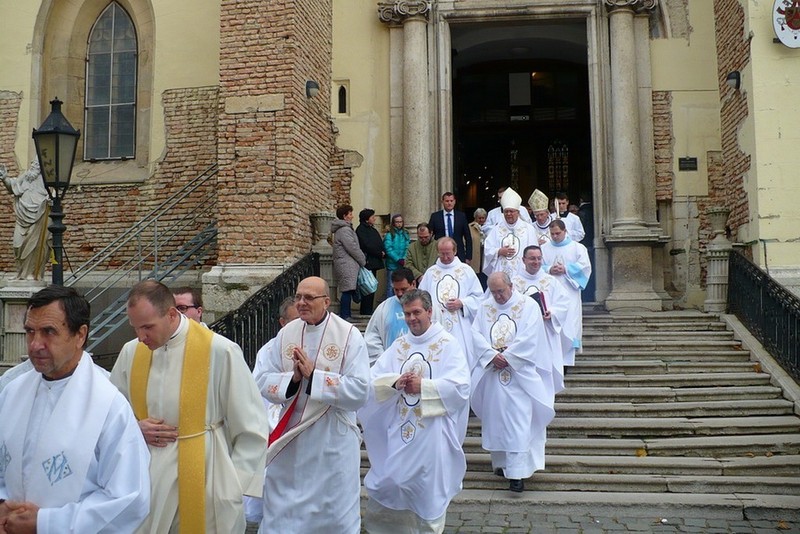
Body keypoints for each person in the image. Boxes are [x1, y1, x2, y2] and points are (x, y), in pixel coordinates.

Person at [110, 280, 268, 533]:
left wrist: (232, 486)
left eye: (148, 327)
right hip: (145, 478)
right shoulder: (131, 352)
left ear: (172, 314)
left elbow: (251, 425)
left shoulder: (219, 350)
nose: (141, 337)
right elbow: (112, 414)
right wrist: (135, 428)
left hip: (207, 477)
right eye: (135, 328)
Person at [0, 285, 150, 533]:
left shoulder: (109, 406)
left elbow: (129, 498)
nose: (36, 344)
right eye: (30, 331)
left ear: (80, 335)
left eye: (49, 332)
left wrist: (46, 523)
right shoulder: (12, 392)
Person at [255, 276, 369, 534]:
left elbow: (361, 391)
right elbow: (261, 381)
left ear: (326, 301)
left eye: (309, 297)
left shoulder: (349, 336)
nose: (302, 303)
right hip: (292, 443)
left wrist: (315, 376)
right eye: (298, 297)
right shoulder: (286, 334)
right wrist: (294, 379)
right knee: (284, 514)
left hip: (331, 441)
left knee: (332, 514)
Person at [359, 289, 470, 533]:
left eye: (417, 312)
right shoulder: (399, 345)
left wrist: (425, 386)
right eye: (407, 314)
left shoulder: (448, 344)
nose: (411, 318)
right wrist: (395, 382)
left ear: (430, 312)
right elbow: (373, 380)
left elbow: (461, 387)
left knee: (427, 490)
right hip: (400, 431)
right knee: (392, 483)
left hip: (432, 434)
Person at [470, 272, 555, 493]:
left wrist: (509, 357)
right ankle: (500, 463)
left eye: (501, 291)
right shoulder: (485, 308)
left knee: (518, 421)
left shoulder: (528, 306)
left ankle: (517, 474)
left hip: (520, 375)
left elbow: (531, 336)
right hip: (493, 374)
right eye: (494, 291)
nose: (498, 296)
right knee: (496, 419)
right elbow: (475, 335)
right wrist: (491, 356)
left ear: (511, 285)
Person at [244, 296, 299, 523]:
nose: (300, 327)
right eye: (294, 321)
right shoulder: (268, 351)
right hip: (275, 423)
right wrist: (291, 381)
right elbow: (258, 386)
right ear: (282, 322)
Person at [512, 245, 570, 395]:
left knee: (545, 369)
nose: (536, 262)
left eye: (538, 258)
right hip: (523, 335)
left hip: (546, 332)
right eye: (532, 258)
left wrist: (552, 313)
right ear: (523, 260)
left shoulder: (551, 281)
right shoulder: (514, 283)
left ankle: (546, 399)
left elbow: (563, 303)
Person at [419, 237, 483, 367]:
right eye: (442, 253)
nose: (445, 257)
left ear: (455, 251)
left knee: (461, 359)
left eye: (448, 253)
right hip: (436, 323)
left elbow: (479, 297)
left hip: (460, 324)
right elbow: (421, 298)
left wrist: (462, 303)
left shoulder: (466, 270)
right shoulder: (431, 272)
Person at [541, 219, 592, 366]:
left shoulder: (577, 248)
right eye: (552, 234)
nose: (555, 236)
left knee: (569, 323)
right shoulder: (544, 248)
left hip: (570, 291)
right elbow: (538, 266)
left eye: (558, 233)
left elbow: (585, 267)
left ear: (565, 231)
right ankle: (553, 360)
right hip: (550, 293)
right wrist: (549, 269)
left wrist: (566, 269)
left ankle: (567, 362)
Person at [1, 160, 51, 280]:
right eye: (33, 163)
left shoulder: (47, 178)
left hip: (39, 216)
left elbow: (53, 194)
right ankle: (21, 273)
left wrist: (49, 200)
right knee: (17, 245)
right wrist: (4, 178)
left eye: (37, 164)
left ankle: (33, 274)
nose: (34, 165)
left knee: (35, 246)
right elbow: (13, 186)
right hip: (22, 217)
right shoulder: (27, 176)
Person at [483, 187, 538, 278]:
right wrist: (499, 251)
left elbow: (534, 251)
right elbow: (488, 249)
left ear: (517, 212)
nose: (508, 214)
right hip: (501, 272)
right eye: (506, 211)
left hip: (523, 271)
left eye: (511, 211)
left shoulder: (528, 229)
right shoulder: (496, 229)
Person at [332, 204, 366, 321]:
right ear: (344, 216)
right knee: (347, 289)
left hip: (347, 263)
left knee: (349, 288)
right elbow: (352, 247)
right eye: (350, 214)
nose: (352, 216)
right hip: (346, 264)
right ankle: (345, 315)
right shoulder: (344, 230)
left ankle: (346, 314)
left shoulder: (345, 229)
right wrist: (362, 260)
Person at [428, 192, 472, 264]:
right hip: (440, 253)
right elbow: (430, 236)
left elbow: (468, 237)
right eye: (447, 201)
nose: (449, 203)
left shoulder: (461, 216)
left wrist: (468, 257)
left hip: (458, 253)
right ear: (442, 202)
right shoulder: (435, 216)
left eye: (451, 201)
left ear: (454, 202)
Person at [357, 208, 385, 316]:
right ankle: (365, 310)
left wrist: (382, 252)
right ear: (366, 219)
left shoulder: (372, 230)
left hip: (374, 261)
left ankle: (369, 309)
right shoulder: (361, 230)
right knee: (367, 286)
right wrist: (379, 253)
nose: (374, 218)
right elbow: (366, 245)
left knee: (372, 286)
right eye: (372, 217)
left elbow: (378, 242)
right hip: (367, 261)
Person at [383, 213, 411, 298]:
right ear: (393, 223)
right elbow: (388, 249)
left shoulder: (405, 234)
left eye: (400, 222)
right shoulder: (389, 234)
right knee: (391, 286)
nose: (399, 224)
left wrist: (403, 258)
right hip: (392, 264)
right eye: (397, 222)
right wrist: (398, 259)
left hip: (402, 264)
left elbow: (408, 247)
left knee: (403, 286)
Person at [469, 207, 488, 289]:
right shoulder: (469, 227)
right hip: (475, 256)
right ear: (475, 218)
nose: (481, 220)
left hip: (485, 256)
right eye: (479, 218)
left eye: (483, 218)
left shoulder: (489, 228)